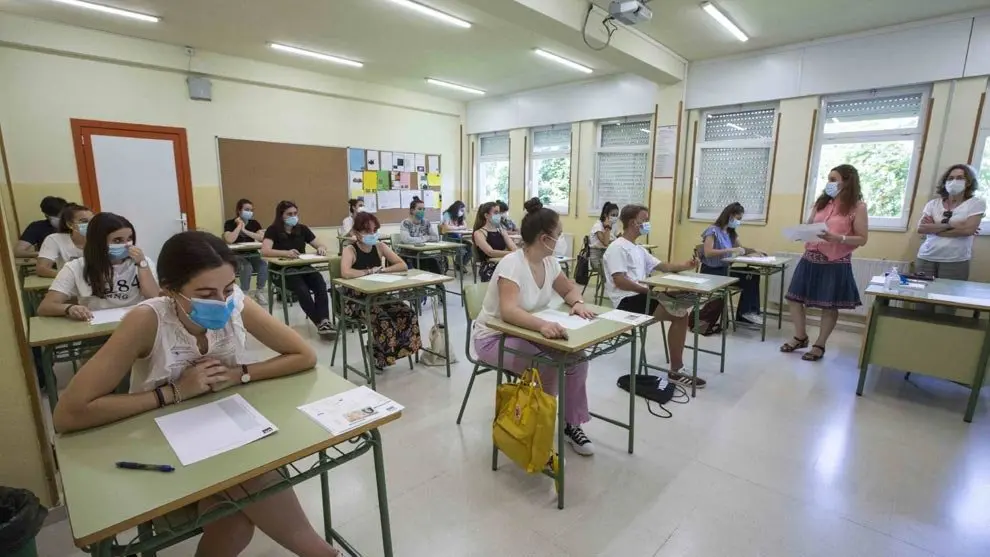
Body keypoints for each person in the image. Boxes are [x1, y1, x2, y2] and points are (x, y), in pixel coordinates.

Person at [52, 231, 341, 557]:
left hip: (223, 435)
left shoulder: (235, 304)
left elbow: (304, 355)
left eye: (228, 288)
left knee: (235, 521)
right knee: (244, 498)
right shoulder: (147, 320)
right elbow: (69, 414)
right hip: (159, 449)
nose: (221, 301)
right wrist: (175, 392)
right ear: (170, 290)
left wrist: (239, 375)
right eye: (205, 293)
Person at [473, 197, 598, 456]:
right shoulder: (512, 264)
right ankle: (538, 430)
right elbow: (508, 312)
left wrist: (578, 303)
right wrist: (542, 325)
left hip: (527, 332)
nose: (561, 239)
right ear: (544, 238)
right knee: (548, 368)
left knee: (577, 360)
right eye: (558, 234)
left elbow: (567, 289)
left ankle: (570, 424)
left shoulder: (550, 262)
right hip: (494, 338)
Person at [604, 204, 701, 389]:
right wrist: (650, 292)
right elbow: (620, 281)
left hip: (642, 296)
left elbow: (664, 266)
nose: (647, 223)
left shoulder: (638, 248)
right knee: (680, 314)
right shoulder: (617, 248)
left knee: (682, 299)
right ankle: (676, 370)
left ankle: (676, 367)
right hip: (627, 301)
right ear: (634, 222)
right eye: (645, 220)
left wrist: (686, 265)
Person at [781, 164, 869, 361]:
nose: (828, 183)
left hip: (835, 262)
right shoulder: (821, 203)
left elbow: (862, 238)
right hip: (810, 257)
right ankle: (800, 336)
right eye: (828, 179)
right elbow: (810, 224)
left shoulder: (858, 207)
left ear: (847, 182)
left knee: (829, 305)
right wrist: (801, 233)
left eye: (833, 179)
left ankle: (820, 344)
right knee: (794, 298)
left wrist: (840, 238)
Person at [38, 212, 159, 320]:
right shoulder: (75, 267)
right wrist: (69, 308)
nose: (127, 245)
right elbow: (45, 307)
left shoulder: (142, 262)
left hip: (137, 321)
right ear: (98, 242)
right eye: (117, 240)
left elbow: (154, 296)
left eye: (130, 238)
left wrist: (142, 264)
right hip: (97, 324)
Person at [340, 211, 422, 370]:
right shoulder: (350, 250)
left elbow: (402, 265)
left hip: (377, 295)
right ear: (357, 232)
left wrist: (382, 271)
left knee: (407, 313)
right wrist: (369, 272)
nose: (371, 234)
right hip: (356, 301)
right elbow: (346, 272)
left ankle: (392, 352)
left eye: (374, 230)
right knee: (383, 320)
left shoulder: (380, 246)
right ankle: (379, 356)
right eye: (366, 231)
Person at [261, 201, 335, 337]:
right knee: (302, 289)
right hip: (282, 270)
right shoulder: (273, 230)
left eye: (295, 213)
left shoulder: (302, 229)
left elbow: (319, 244)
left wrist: (321, 248)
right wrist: (285, 253)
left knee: (320, 283)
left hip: (303, 267)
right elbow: (265, 251)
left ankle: (325, 320)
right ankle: (320, 323)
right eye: (289, 214)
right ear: (281, 215)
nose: (293, 216)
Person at [915, 164, 983, 283]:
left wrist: (934, 228)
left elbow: (968, 231)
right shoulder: (933, 204)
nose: (954, 181)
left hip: (955, 260)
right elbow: (921, 228)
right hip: (926, 257)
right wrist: (951, 225)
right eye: (950, 178)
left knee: (948, 299)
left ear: (968, 182)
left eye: (960, 178)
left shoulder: (976, 203)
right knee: (921, 299)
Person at [699, 202, 764, 325]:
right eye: (738, 218)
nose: (738, 222)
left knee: (752, 274)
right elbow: (708, 252)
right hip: (712, 271)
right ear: (730, 215)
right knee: (748, 278)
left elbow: (740, 248)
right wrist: (730, 250)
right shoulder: (713, 230)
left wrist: (754, 251)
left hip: (725, 270)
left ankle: (747, 313)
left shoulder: (731, 233)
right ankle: (745, 314)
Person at [223, 198, 268, 306]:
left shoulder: (254, 223)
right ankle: (244, 294)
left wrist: (245, 231)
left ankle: (259, 291)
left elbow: (261, 238)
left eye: (251, 210)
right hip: (237, 255)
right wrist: (239, 226)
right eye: (247, 209)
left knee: (263, 265)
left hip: (253, 254)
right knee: (246, 267)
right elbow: (229, 239)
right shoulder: (229, 223)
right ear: (239, 211)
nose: (250, 212)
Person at [36, 203, 92, 278]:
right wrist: (71, 278)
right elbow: (41, 269)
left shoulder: (103, 238)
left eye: (92, 220)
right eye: (84, 221)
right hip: (69, 284)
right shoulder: (55, 239)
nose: (90, 224)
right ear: (70, 224)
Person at [472, 201, 517, 282]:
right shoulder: (479, 233)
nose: (499, 215)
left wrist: (514, 251)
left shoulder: (501, 231)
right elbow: (490, 252)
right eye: (496, 212)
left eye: (499, 212)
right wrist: (511, 253)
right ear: (486, 215)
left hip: (504, 264)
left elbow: (514, 248)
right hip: (489, 267)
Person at [400, 197, 443, 274]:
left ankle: (440, 285)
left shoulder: (426, 222)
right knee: (420, 264)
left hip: (420, 252)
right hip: (407, 254)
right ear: (412, 210)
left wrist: (425, 238)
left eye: (423, 209)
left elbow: (436, 237)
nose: (422, 211)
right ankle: (420, 284)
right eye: (419, 209)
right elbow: (406, 240)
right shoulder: (406, 223)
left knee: (433, 261)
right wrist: (425, 238)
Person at [589, 202, 619, 266]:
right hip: (597, 256)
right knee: (613, 269)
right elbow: (605, 243)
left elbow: (620, 237)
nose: (615, 217)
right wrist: (607, 228)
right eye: (613, 215)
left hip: (607, 253)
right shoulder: (598, 225)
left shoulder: (614, 225)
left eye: (616, 215)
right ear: (605, 215)